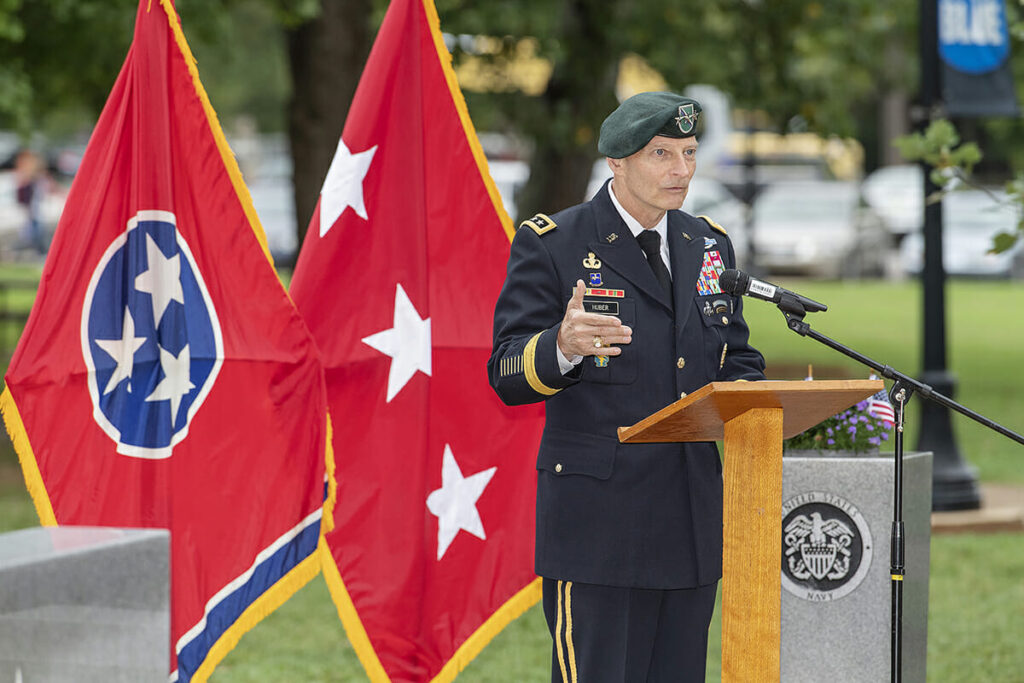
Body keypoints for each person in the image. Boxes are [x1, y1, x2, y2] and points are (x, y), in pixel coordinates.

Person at [487, 91, 765, 682]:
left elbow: (735, 356)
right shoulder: (554, 242)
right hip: (598, 527)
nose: (682, 171)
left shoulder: (707, 244)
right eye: (662, 154)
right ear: (616, 162)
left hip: (689, 522)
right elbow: (506, 373)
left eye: (689, 153)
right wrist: (561, 347)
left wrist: (756, 399)